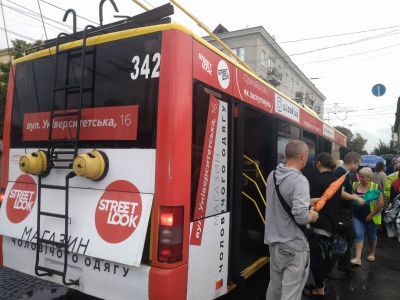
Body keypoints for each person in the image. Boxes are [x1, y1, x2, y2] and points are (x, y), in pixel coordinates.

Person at [264, 140, 319, 300]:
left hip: (275, 242)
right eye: (307, 156)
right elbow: (301, 217)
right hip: (294, 245)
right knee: (291, 293)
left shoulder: (272, 175)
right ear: (303, 156)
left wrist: (306, 202)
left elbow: (280, 201)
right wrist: (312, 216)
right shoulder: (300, 180)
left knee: (275, 287)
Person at [304, 152, 342, 298]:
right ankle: (320, 283)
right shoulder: (336, 179)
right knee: (322, 256)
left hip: (318, 222)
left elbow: (310, 202)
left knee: (315, 257)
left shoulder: (316, 179)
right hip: (331, 223)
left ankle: (319, 288)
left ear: (318, 162)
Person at [325, 152, 365, 277]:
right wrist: (356, 198)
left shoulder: (341, 172)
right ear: (352, 163)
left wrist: (355, 196)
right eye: (358, 164)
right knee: (345, 237)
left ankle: (343, 265)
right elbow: (340, 193)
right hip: (341, 213)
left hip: (341, 212)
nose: (358, 168)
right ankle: (329, 269)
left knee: (347, 236)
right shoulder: (342, 174)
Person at [350, 167, 384, 265]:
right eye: (359, 176)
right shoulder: (355, 185)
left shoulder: (376, 187)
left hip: (371, 216)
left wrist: (371, 215)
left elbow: (380, 203)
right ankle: (358, 258)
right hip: (357, 215)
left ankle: (372, 253)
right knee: (358, 235)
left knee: (372, 235)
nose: (360, 179)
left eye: (363, 177)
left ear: (369, 177)